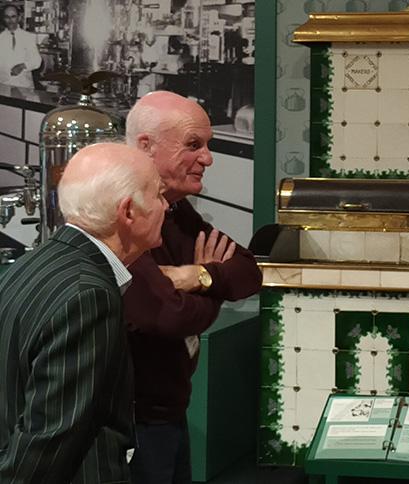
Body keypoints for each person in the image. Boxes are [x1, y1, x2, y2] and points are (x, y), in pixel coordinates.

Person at [0, 143, 167, 483]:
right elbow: (50, 437)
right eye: (159, 196)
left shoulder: (32, 264)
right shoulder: (89, 294)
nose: (166, 207)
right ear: (128, 212)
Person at [122, 90, 262, 484]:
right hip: (134, 419)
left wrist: (195, 277)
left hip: (169, 409)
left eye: (207, 145)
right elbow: (169, 316)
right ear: (146, 146)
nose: (208, 158)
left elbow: (248, 270)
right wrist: (211, 288)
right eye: (193, 145)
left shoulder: (177, 211)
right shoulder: (125, 216)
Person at [0, 4, 42, 88]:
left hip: (24, 86)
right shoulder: (0, 38)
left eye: (13, 16)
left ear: (19, 18)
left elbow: (37, 61)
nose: (10, 20)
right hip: (3, 85)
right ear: (3, 19)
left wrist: (22, 66)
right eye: (7, 17)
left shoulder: (28, 37)